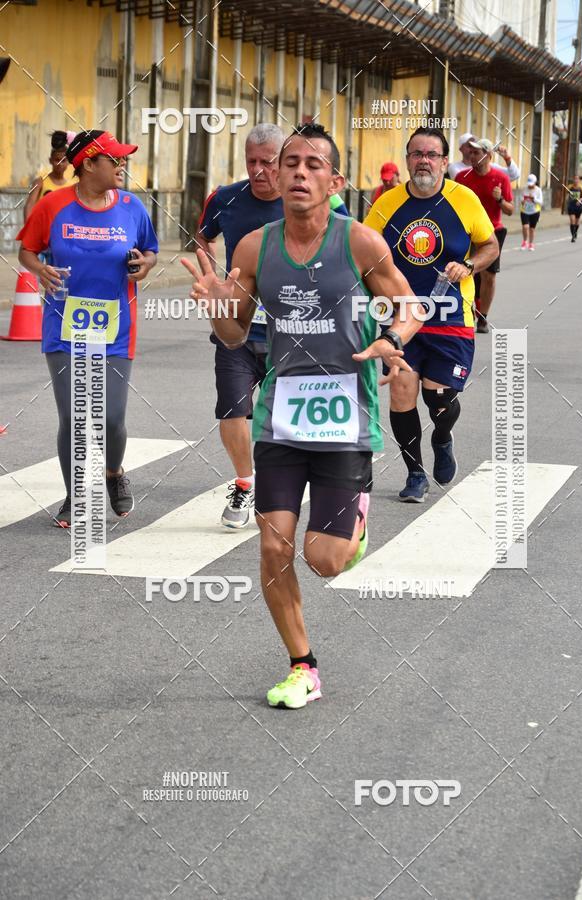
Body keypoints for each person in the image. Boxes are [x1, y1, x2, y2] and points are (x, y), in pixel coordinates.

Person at [183, 123, 423, 709]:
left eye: (313, 165)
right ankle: (302, 666)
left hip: (346, 416)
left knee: (326, 560)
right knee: (273, 548)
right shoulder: (253, 248)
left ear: (334, 182)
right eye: (290, 162)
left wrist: (392, 337)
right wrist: (216, 307)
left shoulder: (359, 242)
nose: (297, 172)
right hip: (282, 417)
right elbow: (235, 334)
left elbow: (410, 304)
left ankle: (352, 529)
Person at [195, 123, 349, 530]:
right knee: (233, 408)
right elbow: (203, 235)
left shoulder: (314, 201)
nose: (258, 170)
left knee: (288, 419)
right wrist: (213, 275)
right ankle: (245, 482)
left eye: (268, 162)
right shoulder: (226, 199)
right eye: (251, 161)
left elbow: (346, 249)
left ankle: (296, 483)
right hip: (240, 327)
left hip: (296, 332)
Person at [17, 130, 158, 527]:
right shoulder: (53, 205)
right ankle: (75, 495)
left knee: (111, 418)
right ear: (89, 164)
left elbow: (150, 250)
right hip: (64, 325)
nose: (122, 165)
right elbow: (27, 249)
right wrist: (40, 269)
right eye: (115, 159)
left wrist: (144, 265)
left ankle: (113, 472)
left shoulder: (131, 207)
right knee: (75, 417)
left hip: (116, 327)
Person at [364, 127, 498, 502]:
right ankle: (415, 474)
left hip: (451, 318)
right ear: (408, 160)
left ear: (443, 161)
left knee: (439, 400)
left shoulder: (464, 199)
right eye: (417, 154)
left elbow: (489, 245)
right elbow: (363, 252)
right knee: (402, 392)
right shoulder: (386, 204)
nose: (424, 160)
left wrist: (468, 266)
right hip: (402, 319)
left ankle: (442, 437)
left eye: (431, 154)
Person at [454, 137, 514, 334]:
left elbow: (510, 210)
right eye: (470, 152)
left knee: (488, 275)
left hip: (493, 231)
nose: (472, 156)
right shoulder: (462, 177)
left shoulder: (501, 178)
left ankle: (483, 317)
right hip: (467, 231)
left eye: (476, 153)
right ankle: (469, 309)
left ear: (488, 155)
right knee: (468, 271)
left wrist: (500, 199)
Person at [23, 130, 78, 223]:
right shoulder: (40, 182)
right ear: (50, 160)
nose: (60, 164)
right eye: (57, 160)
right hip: (42, 227)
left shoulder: (71, 186)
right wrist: (28, 227)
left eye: (63, 160)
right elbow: (29, 205)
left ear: (68, 162)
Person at [448, 132, 520, 182]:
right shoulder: (454, 167)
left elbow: (515, 175)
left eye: (475, 145)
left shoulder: (489, 166)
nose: (473, 148)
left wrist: (507, 158)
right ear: (461, 149)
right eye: (469, 145)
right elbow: (465, 180)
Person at [520, 174, 543, 251]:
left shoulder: (538, 190)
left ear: (535, 183)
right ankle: (524, 241)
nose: (530, 186)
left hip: (534, 211)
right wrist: (522, 201)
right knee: (525, 226)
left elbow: (541, 202)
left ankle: (531, 243)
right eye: (529, 184)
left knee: (532, 229)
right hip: (524, 211)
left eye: (531, 184)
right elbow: (521, 198)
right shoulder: (524, 189)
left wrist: (534, 199)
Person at [565, 175, 582, 242]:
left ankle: (575, 232)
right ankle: (573, 236)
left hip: (578, 206)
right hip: (571, 206)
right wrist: (566, 201)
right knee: (572, 220)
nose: (575, 180)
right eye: (574, 179)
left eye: (577, 179)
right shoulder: (570, 187)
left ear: (579, 180)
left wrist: (580, 200)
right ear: (573, 179)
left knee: (577, 222)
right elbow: (566, 194)